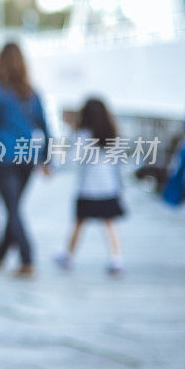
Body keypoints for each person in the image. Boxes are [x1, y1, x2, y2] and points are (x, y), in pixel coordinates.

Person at [0, 42, 49, 278]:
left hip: (3, 157)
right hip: (27, 156)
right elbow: (45, 128)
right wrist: (46, 160)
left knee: (12, 208)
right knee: (14, 207)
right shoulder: (31, 93)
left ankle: (28, 258)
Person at [54, 98, 126, 277]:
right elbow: (118, 164)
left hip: (88, 188)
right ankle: (116, 260)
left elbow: (71, 160)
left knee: (79, 223)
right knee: (110, 224)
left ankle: (68, 256)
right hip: (109, 187)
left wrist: (54, 167)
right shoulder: (113, 135)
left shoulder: (83, 135)